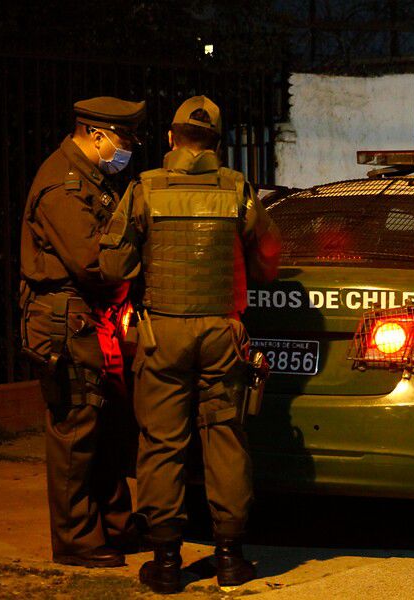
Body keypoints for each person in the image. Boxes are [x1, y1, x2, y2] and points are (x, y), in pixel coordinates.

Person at [99, 95, 281, 593]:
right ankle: (229, 559)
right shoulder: (238, 190)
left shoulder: (144, 189)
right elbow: (268, 260)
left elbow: (113, 266)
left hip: (163, 335)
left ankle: (165, 562)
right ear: (217, 144)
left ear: (172, 138)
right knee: (225, 437)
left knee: (161, 444)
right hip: (223, 333)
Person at [19, 96, 146, 568]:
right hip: (65, 319)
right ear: (95, 134)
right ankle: (75, 537)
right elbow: (92, 262)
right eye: (124, 138)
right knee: (77, 427)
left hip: (90, 319)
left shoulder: (91, 179)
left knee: (106, 423)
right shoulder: (63, 185)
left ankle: (113, 525)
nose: (128, 147)